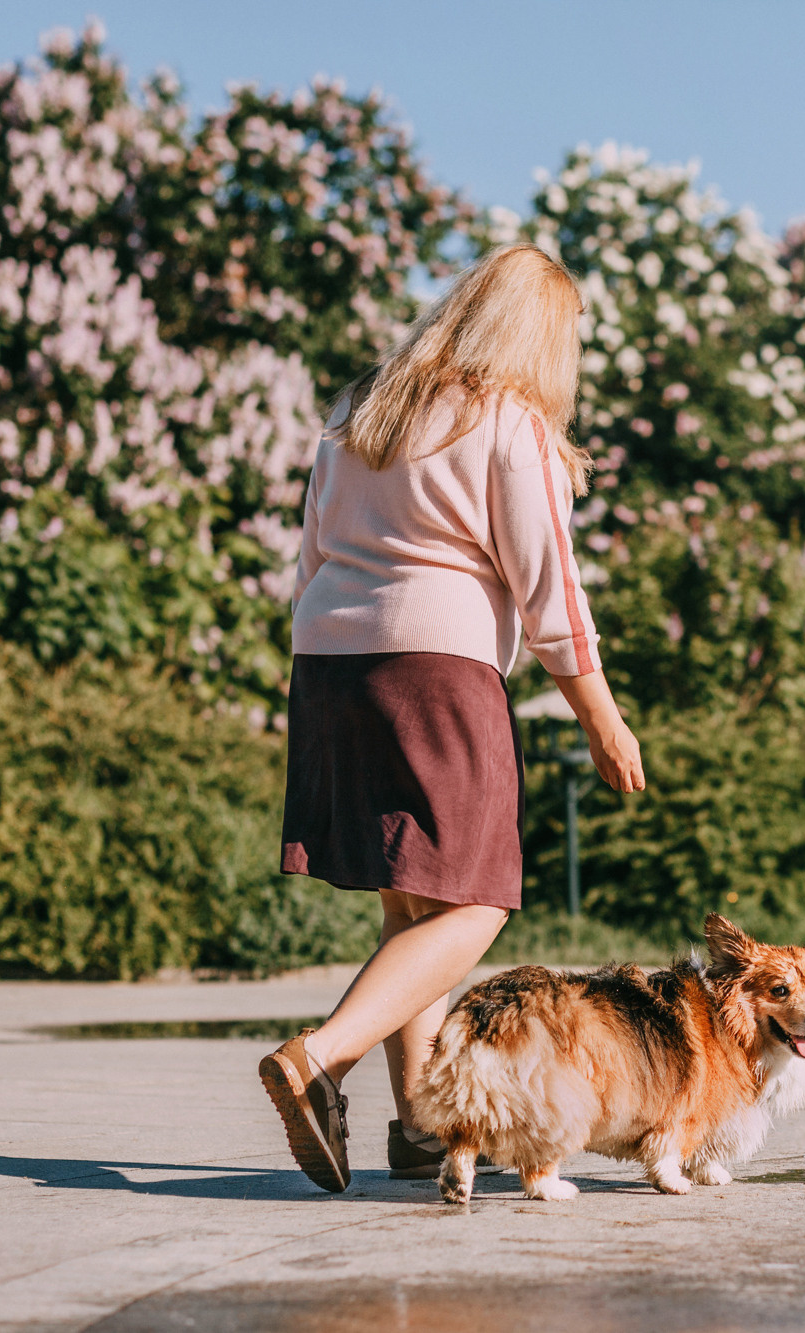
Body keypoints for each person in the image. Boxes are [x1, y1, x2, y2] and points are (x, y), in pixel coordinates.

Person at [258, 243, 645, 1193]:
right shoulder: (509, 420)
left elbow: (311, 554)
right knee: (477, 897)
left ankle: (423, 1129)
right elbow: (550, 587)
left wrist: (324, 659)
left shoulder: (361, 407)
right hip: (437, 667)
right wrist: (602, 716)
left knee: (413, 899)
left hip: (330, 661)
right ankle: (321, 1059)